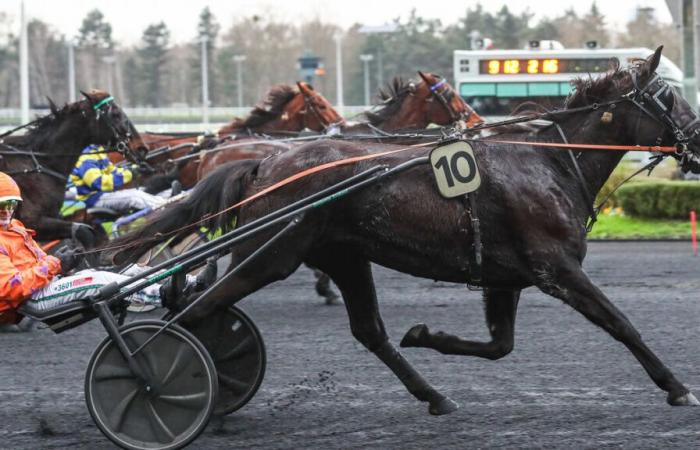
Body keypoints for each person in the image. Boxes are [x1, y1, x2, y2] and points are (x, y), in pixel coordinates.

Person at [0, 172, 214, 331]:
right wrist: (56, 264)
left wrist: (62, 261)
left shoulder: (16, 227)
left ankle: (191, 284)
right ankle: (162, 295)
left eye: (11, 204)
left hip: (46, 284)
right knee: (101, 280)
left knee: (129, 272)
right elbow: (11, 288)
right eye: (1, 204)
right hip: (33, 299)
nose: (6, 210)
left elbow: (39, 261)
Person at [70, 144, 166, 214]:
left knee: (142, 190)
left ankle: (166, 201)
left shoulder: (97, 151)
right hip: (96, 198)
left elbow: (113, 171)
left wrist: (135, 169)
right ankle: (165, 207)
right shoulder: (85, 157)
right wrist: (130, 174)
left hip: (106, 195)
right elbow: (99, 183)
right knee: (134, 196)